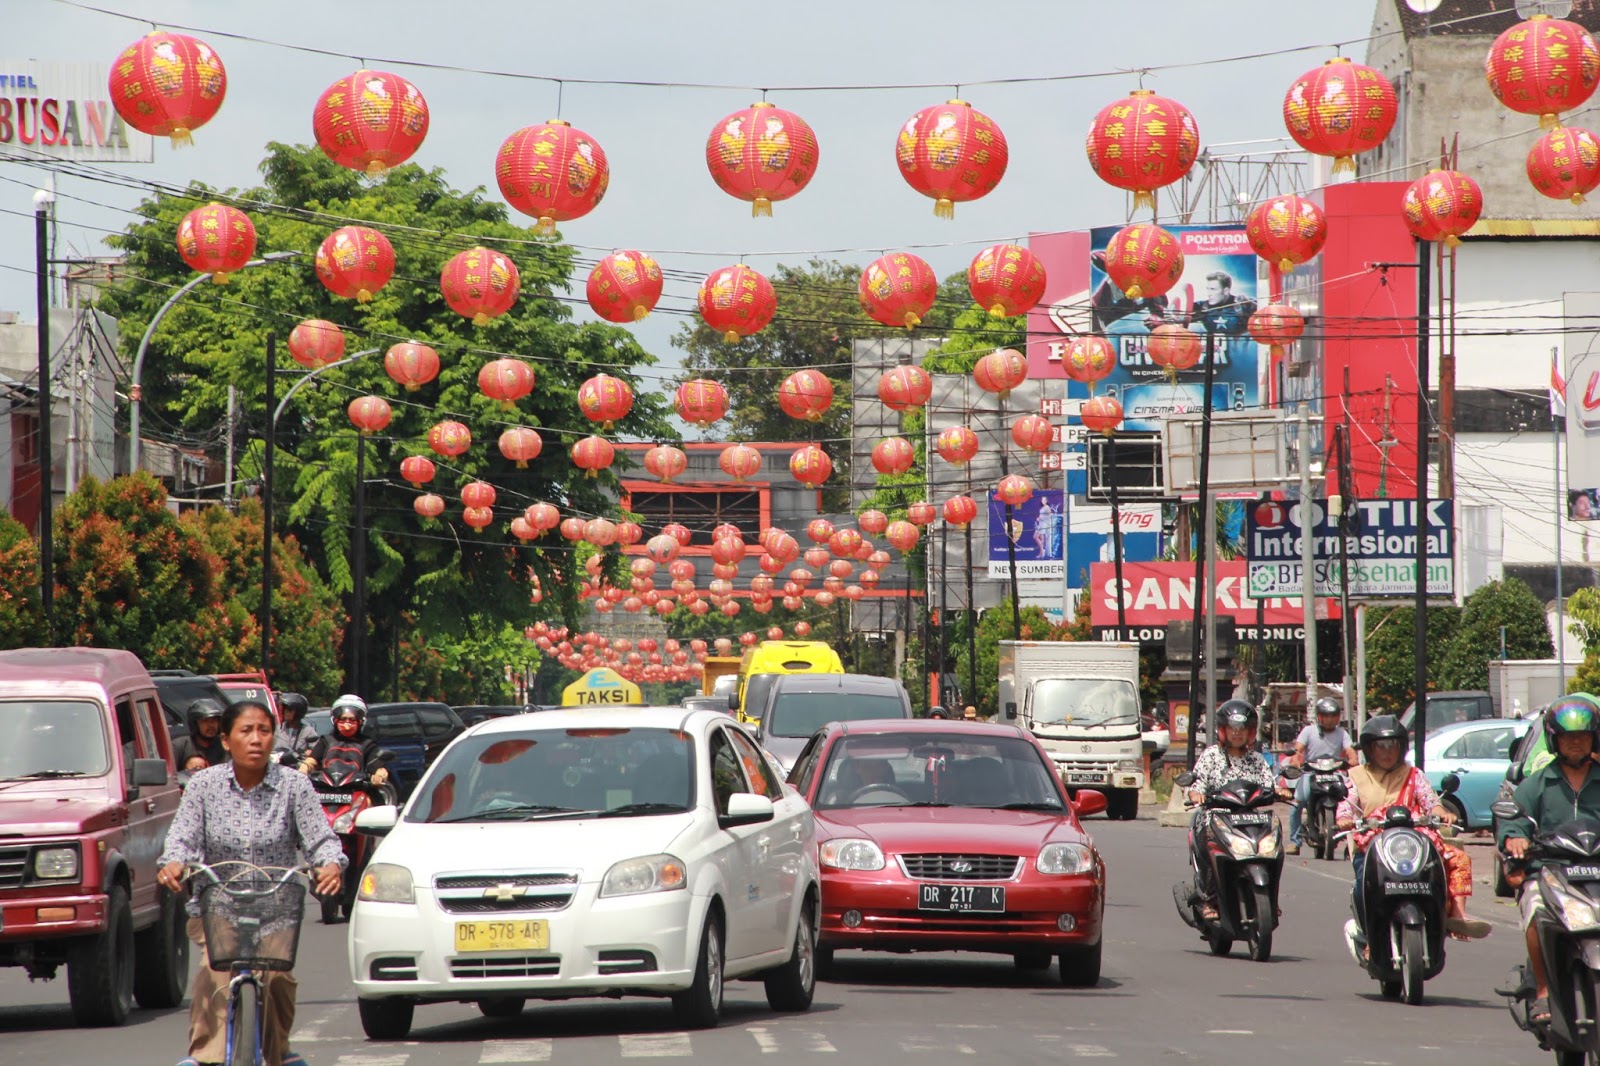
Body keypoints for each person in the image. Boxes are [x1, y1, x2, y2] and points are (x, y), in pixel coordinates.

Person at [157, 699, 344, 1066]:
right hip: (218, 910)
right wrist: (174, 863)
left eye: (264, 730)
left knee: (277, 980)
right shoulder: (204, 786)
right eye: (246, 731)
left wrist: (330, 864)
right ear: (226, 740)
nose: (256, 739)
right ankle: (205, 1058)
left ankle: (278, 1053)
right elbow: (182, 837)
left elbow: (321, 839)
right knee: (213, 974)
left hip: (276, 910)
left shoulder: (294, 785)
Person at [1337, 715, 1488, 958]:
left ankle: (1457, 915)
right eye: (1381, 746)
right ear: (1369, 749)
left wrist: (1443, 813)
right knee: (1362, 887)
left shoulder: (1413, 774)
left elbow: (1431, 802)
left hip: (1414, 842)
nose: (1387, 753)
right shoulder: (1356, 776)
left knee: (1457, 858)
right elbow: (1346, 806)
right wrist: (1344, 819)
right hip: (1373, 845)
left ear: (1401, 748)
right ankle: (1370, 939)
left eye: (1392, 746)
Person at [1498, 695, 1600, 1025]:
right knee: (1534, 910)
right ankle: (1542, 990)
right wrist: (1514, 837)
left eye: (1582, 736)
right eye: (1568, 737)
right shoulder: (1539, 782)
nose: (1575, 743)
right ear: (1555, 740)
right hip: (1551, 871)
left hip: (1596, 871)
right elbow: (1513, 816)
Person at [1186, 700, 1277, 920]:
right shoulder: (1211, 756)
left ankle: (1271, 898)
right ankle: (1208, 898)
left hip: (1250, 818)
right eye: (1233, 730)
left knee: (1275, 843)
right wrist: (1196, 794)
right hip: (1217, 816)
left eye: (1242, 730)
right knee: (1207, 840)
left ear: (1250, 732)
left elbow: (1269, 784)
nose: (1237, 734)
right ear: (1222, 730)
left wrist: (1280, 791)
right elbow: (1196, 784)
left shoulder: (1256, 760)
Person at [1285, 697, 1358, 855]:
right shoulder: (1308, 731)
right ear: (1319, 716)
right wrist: (1296, 759)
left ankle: (1356, 839)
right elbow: (1298, 749)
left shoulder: (1342, 733)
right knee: (1297, 802)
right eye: (1326, 715)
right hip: (1311, 772)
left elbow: (1350, 749)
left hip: (1334, 773)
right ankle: (1295, 842)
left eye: (1333, 715)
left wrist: (1353, 759)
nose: (1330, 719)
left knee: (1352, 798)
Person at [299, 695, 391, 788]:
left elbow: (378, 768)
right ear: (335, 720)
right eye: (343, 719)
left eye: (352, 720)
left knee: (376, 801)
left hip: (357, 790)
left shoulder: (368, 744)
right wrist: (304, 768)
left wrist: (379, 775)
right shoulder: (326, 740)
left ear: (361, 721)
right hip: (325, 790)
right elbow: (311, 760)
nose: (347, 725)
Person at [172, 699, 229, 773]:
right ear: (195, 724)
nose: (211, 725)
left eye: (214, 720)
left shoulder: (224, 746)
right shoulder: (179, 746)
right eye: (205, 721)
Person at [274, 692, 318, 757]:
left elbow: (316, 752)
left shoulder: (308, 732)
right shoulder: (277, 730)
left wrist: (310, 752)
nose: (286, 712)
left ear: (298, 712)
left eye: (289, 710)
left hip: (298, 766)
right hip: (277, 766)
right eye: (285, 709)